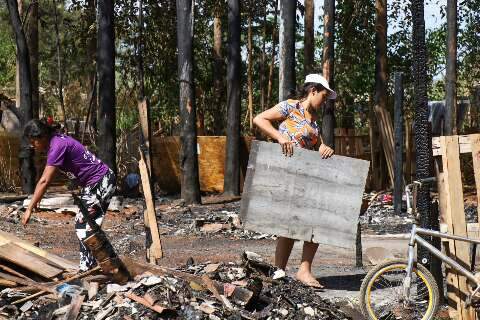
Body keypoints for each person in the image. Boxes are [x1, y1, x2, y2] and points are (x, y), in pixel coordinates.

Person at [252, 73, 337, 288]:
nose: (325, 101)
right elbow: (259, 119)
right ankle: (279, 270)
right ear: (313, 90)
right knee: (288, 223)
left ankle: (304, 270)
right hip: (287, 173)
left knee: (314, 221)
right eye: (324, 96)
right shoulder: (290, 107)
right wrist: (280, 137)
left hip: (308, 176)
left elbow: (318, 145)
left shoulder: (314, 120)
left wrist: (324, 148)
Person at [22, 119, 116, 271]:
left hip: (100, 182)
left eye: (34, 142)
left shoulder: (57, 146)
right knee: (89, 226)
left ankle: (88, 268)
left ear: (42, 136)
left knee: (83, 225)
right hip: (98, 182)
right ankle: (107, 265)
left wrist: (29, 208)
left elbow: (45, 180)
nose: (33, 146)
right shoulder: (57, 141)